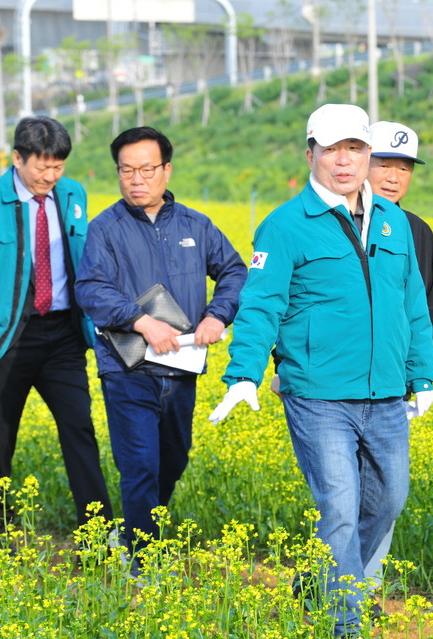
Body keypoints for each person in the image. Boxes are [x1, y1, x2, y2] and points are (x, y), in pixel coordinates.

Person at [208, 103, 433, 637]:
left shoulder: (394, 220)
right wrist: (244, 373)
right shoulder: (285, 225)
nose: (344, 160)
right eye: (331, 149)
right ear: (310, 153)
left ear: (367, 154)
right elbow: (262, 303)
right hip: (318, 394)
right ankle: (344, 623)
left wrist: (421, 373)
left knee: (389, 500)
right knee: (338, 505)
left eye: (354, 148)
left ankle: (318, 581)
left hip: (384, 395)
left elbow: (412, 303)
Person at [74, 127, 246, 572]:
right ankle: (143, 562)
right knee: (141, 465)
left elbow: (233, 272)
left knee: (173, 458)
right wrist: (141, 320)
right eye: (126, 170)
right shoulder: (104, 229)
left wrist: (217, 315)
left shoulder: (195, 225)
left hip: (181, 367)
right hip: (126, 367)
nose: (136, 179)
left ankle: (131, 532)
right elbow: (91, 288)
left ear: (166, 170)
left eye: (146, 169)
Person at [0, 117, 115, 551]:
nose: (50, 177)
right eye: (42, 168)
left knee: (79, 428)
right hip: (6, 337)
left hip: (63, 334)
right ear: (17, 158)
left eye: (58, 167)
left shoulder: (73, 194)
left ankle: (96, 538)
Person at [363, 120, 433, 582]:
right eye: (383, 163)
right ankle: (343, 593)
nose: (393, 176)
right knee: (342, 495)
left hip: (393, 381)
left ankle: (345, 585)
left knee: (385, 494)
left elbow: (432, 302)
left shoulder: (416, 231)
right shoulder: (332, 220)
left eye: (403, 167)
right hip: (331, 381)